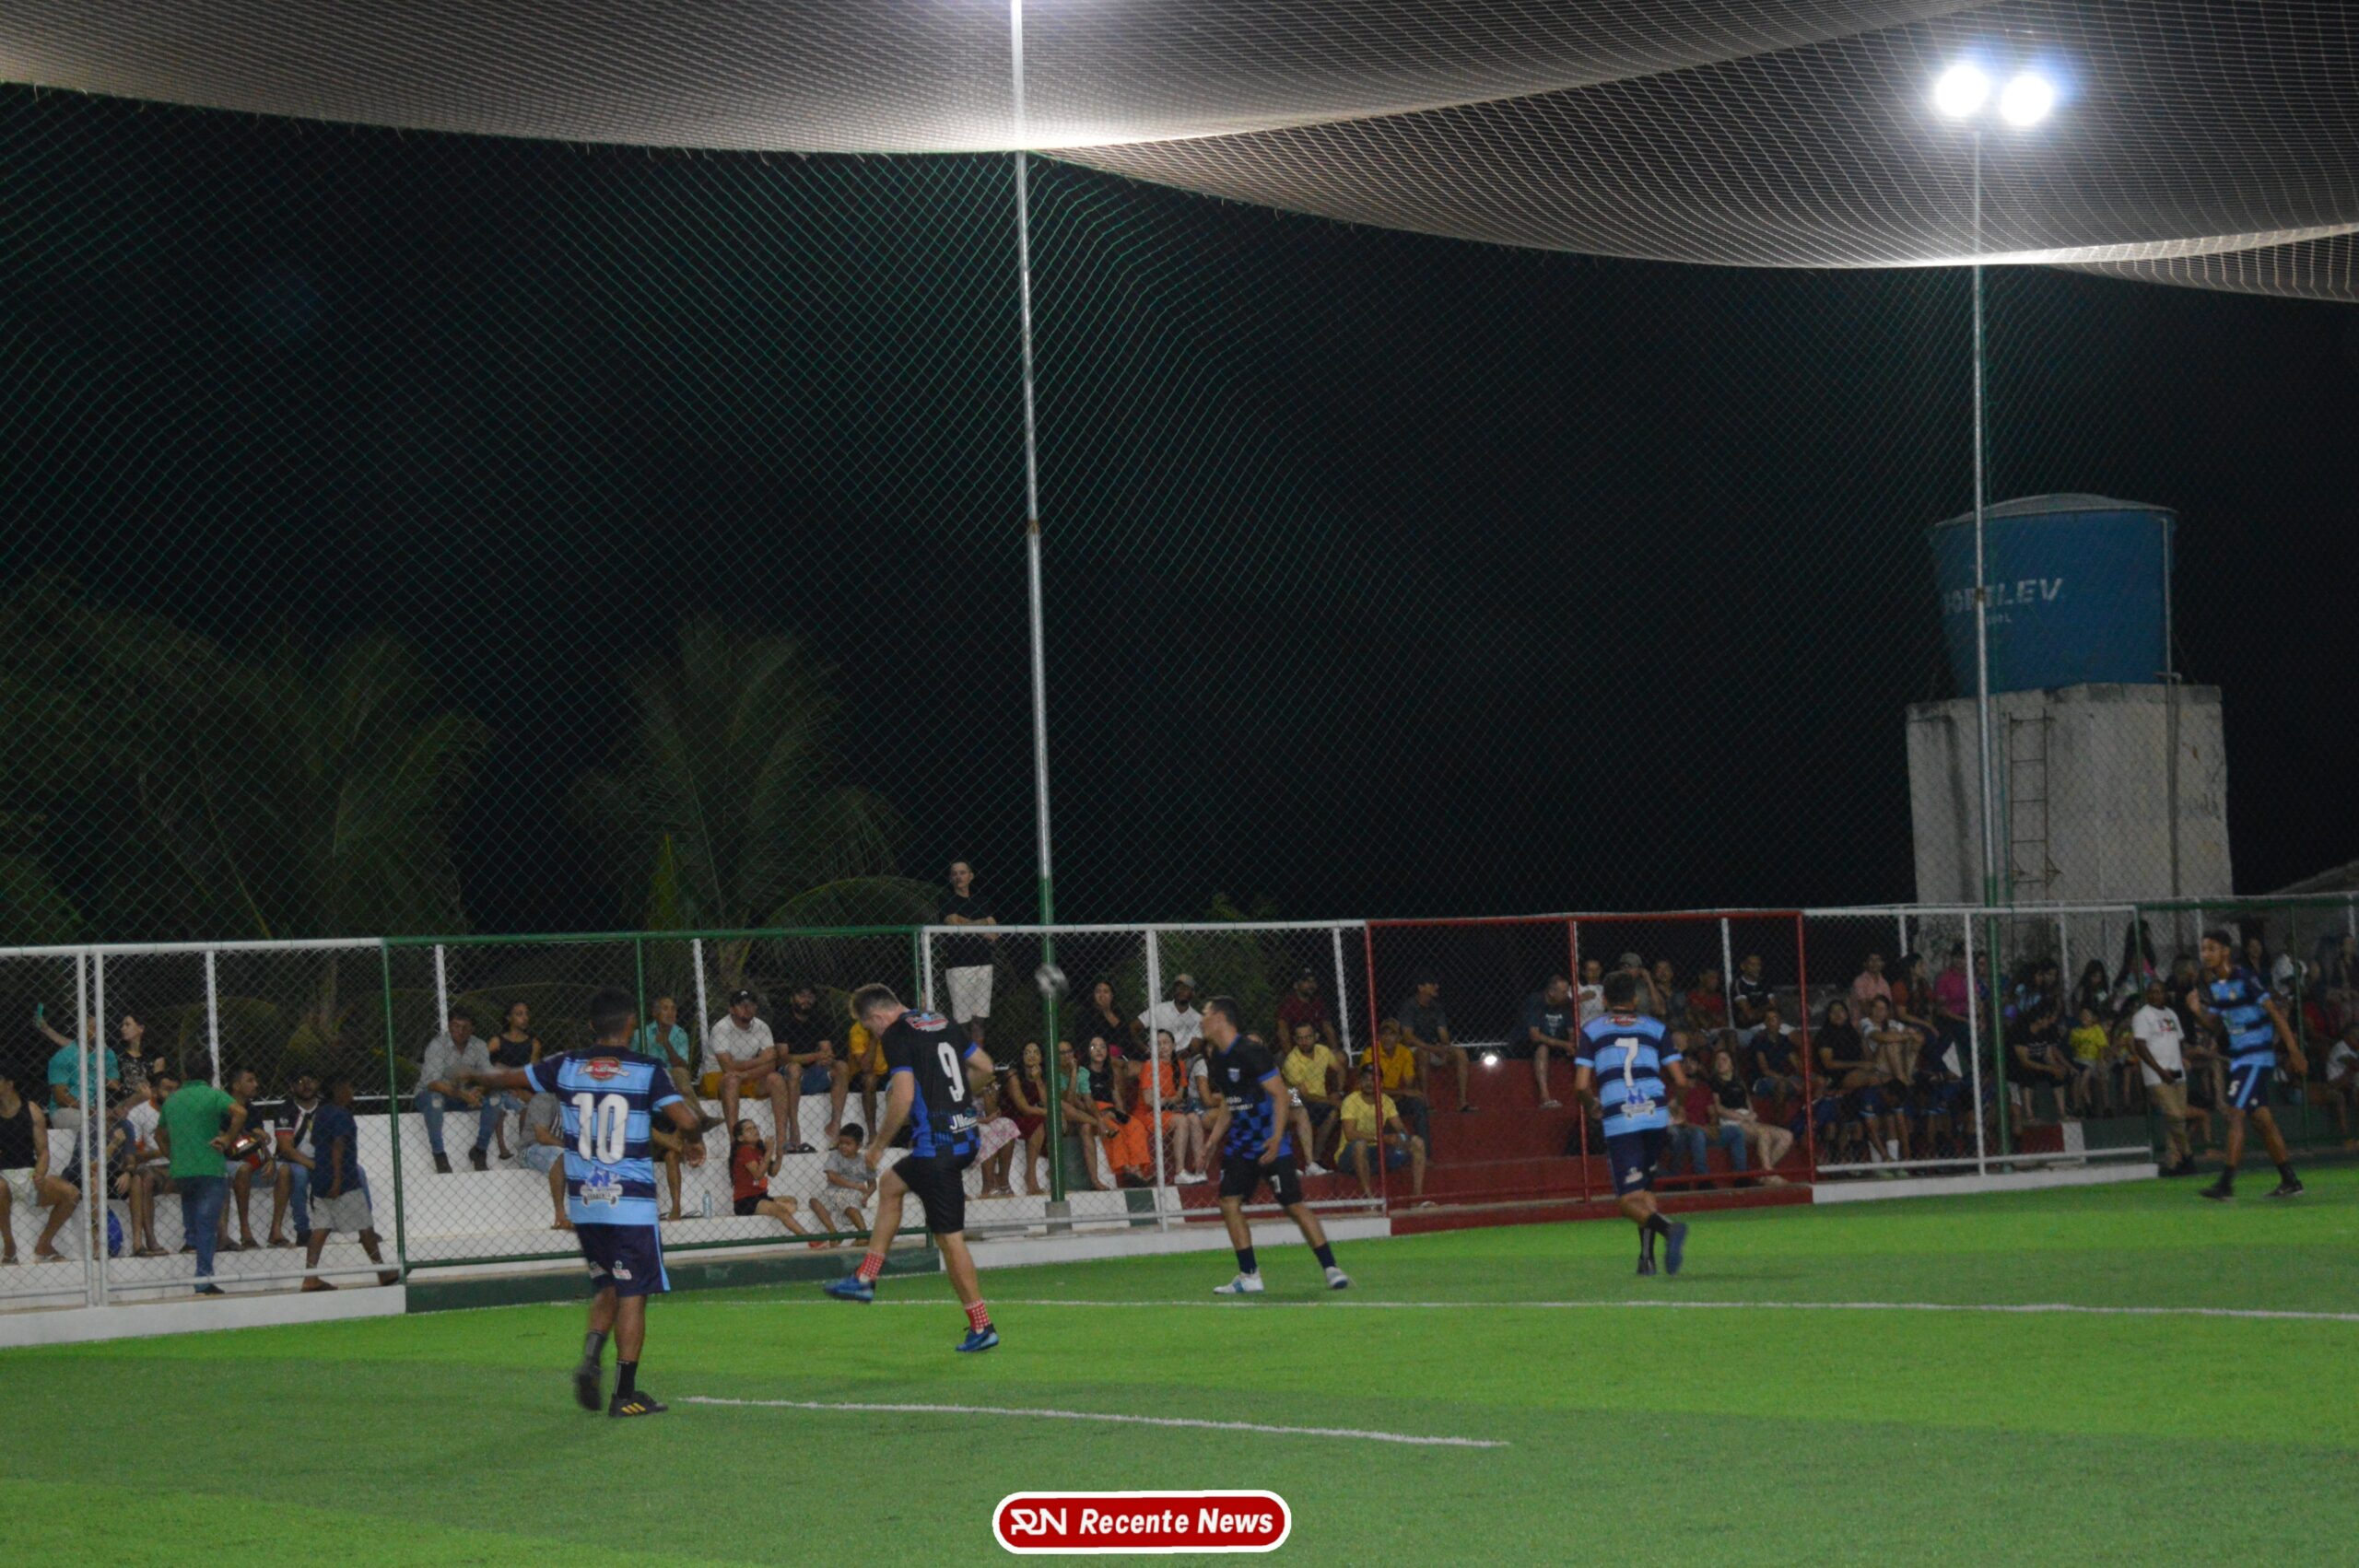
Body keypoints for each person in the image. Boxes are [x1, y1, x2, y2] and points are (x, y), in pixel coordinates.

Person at [468, 986, 698, 1417]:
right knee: (634, 1293)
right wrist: (696, 1131)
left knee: (608, 1285)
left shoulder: (566, 1064)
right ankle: (624, 1394)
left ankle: (591, 1358)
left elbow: (509, 1078)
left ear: (592, 1025)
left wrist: (475, 1075)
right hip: (630, 1205)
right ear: (631, 1024)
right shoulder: (647, 1068)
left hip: (587, 1202)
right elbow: (685, 1119)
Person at [823, 984, 1003, 1355]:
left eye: (870, 1028)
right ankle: (866, 1276)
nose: (875, 1034)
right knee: (891, 1185)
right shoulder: (940, 1021)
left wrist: (877, 1145)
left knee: (949, 1239)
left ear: (877, 1017)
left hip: (936, 1146)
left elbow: (903, 1097)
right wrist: (955, 1099)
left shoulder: (896, 1034)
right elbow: (986, 1068)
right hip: (964, 1137)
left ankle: (982, 1326)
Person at [1201, 997, 1350, 1294]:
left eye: (1205, 1013)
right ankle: (1249, 1276)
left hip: (1271, 1143)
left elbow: (1282, 1095)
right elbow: (1230, 1102)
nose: (1201, 1019)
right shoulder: (1217, 1058)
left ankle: (1332, 1268)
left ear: (1219, 1018)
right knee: (1229, 1202)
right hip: (1241, 1145)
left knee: (1293, 1205)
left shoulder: (1252, 1052)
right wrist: (1213, 1140)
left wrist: (1277, 1136)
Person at [1572, 972, 1690, 1277]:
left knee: (1626, 1200)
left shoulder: (1592, 1030)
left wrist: (1591, 1105)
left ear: (1605, 999)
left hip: (1621, 1118)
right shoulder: (1656, 1027)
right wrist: (1677, 1104)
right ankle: (1646, 1260)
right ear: (1636, 999)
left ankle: (1669, 1229)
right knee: (1645, 1189)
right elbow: (1680, 1080)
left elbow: (1581, 1085)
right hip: (1655, 1115)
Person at [2186, 929, 2306, 1200]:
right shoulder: (2217, 986)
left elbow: (2275, 1014)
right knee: (2262, 1121)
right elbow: (2215, 1026)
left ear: (2226, 952)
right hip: (2240, 1058)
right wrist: (2196, 1011)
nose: (2205, 954)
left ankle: (2225, 1184)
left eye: (2211, 949)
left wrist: (2294, 1051)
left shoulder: (2244, 978)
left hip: (2256, 1056)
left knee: (2234, 1114)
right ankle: (2290, 1180)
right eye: (2203, 949)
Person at [297, 1076, 399, 1291]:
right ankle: (382, 1271)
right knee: (365, 1226)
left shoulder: (321, 1113)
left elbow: (316, 1141)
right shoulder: (342, 1115)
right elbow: (338, 1145)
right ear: (339, 1090)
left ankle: (310, 1275)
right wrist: (338, 1180)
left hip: (320, 1177)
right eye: (349, 1086)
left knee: (321, 1227)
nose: (351, 1091)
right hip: (344, 1180)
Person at [157, 1070, 245, 1295]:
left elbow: (159, 1135)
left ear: (184, 1074)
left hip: (183, 1169)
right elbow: (240, 1112)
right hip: (209, 1166)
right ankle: (203, 1277)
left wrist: (173, 1156)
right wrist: (227, 1138)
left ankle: (191, 1240)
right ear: (211, 1072)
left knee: (192, 1210)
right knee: (207, 1224)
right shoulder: (213, 1095)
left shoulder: (173, 1099)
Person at [0, 1063, 78, 1264]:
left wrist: (40, 1174)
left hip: (28, 1173)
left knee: (70, 1194)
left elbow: (43, 1152)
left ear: (9, 1084)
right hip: (2, 1176)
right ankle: (9, 1246)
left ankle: (45, 1243)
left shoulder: (31, 1110)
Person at [705, 989, 787, 1170]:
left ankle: (782, 1141)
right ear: (731, 1009)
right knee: (731, 1080)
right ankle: (735, 1144)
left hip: (746, 1076)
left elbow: (771, 1065)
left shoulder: (762, 1027)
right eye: (741, 1005)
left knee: (776, 1079)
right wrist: (759, 1061)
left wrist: (745, 1074)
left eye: (751, 1004)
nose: (747, 1008)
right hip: (716, 1076)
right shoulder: (721, 1028)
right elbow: (728, 1067)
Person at [2126, 979, 2197, 1176]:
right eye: (2151, 992)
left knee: (2177, 1118)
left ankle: (2173, 1163)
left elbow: (2178, 1040)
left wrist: (2182, 1059)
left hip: (2177, 1071)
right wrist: (2159, 1070)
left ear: (2165, 994)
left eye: (2159, 992)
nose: (2155, 995)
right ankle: (2188, 1155)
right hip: (2157, 1075)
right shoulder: (2142, 1016)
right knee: (2175, 1115)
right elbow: (2140, 1046)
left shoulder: (2171, 1014)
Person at [416, 1008, 497, 1174]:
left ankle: (480, 1150)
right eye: (455, 1026)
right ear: (449, 1026)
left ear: (472, 1029)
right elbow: (433, 1083)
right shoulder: (438, 1045)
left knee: (495, 1099)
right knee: (435, 1101)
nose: (460, 1031)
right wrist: (463, 1094)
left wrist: (480, 1090)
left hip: (467, 1096)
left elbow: (488, 1076)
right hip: (436, 1093)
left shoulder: (479, 1045)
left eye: (465, 1027)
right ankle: (439, 1155)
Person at [1338, 1060, 1426, 1201]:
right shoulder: (1350, 1101)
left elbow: (1400, 1127)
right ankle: (1370, 1200)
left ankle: (1417, 1198)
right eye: (1365, 1079)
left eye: (1374, 1079)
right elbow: (1350, 1134)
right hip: (1350, 1157)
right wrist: (1384, 1138)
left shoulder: (1386, 1101)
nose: (1369, 1083)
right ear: (1359, 1082)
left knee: (1418, 1142)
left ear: (1381, 1083)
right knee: (1360, 1145)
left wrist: (1402, 1138)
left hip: (1378, 1154)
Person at [937, 860, 998, 1044]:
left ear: (971, 876)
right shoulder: (947, 900)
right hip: (959, 965)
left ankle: (978, 1058)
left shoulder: (982, 901)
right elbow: (954, 924)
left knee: (980, 1020)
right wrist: (981, 924)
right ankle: (964, 1058)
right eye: (954, 873)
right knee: (962, 1020)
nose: (959, 877)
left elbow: (994, 934)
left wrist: (967, 924)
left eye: (962, 872)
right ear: (950, 878)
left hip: (984, 964)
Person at [1397, 977, 1472, 1113]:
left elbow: (1443, 1033)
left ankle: (1462, 1102)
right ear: (1420, 987)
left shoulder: (1436, 1007)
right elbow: (1408, 1038)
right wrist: (1432, 1048)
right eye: (1431, 984)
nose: (1436, 987)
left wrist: (1445, 1047)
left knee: (1460, 1053)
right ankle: (1424, 1102)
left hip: (1433, 1047)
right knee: (1423, 1054)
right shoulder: (1409, 1006)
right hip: (1413, 1049)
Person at [729, 1121, 815, 1239]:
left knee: (792, 1201)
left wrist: (779, 1156)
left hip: (761, 1196)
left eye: (755, 1127)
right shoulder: (744, 1150)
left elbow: (772, 1172)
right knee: (780, 1210)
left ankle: (775, 1209)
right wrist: (769, 1151)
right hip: (745, 1201)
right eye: (749, 1129)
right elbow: (758, 1175)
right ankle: (809, 1238)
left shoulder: (759, 1149)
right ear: (740, 1138)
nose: (754, 1131)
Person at [266, 1071, 322, 1248]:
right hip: (294, 1161)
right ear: (291, 1087)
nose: (306, 1085)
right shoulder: (286, 1110)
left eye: (310, 1080)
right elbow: (286, 1149)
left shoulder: (326, 1108)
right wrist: (312, 1164)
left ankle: (367, 1229)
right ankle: (303, 1230)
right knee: (299, 1174)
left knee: (358, 1172)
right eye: (300, 1081)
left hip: (322, 1159)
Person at [635, 996, 707, 1128]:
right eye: (665, 1009)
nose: (671, 1013)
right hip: (650, 1077)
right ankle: (702, 1119)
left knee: (680, 1073)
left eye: (673, 1009)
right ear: (655, 1013)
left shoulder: (680, 1034)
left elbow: (683, 1066)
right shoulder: (640, 1034)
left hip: (673, 1077)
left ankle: (701, 1118)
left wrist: (667, 1044)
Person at [1278, 1023, 1342, 1172]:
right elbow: (1305, 1095)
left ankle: (1318, 1158)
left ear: (1316, 1037)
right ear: (1295, 1039)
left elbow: (1340, 1069)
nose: (1304, 1042)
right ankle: (1314, 1160)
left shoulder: (1323, 1050)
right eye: (1300, 1038)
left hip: (1322, 1100)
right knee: (1333, 1110)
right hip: (1300, 1101)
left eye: (1308, 1037)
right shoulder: (1291, 1061)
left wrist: (1338, 1091)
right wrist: (1332, 1101)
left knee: (1341, 1110)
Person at [484, 1002, 543, 1159]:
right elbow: (483, 1063)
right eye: (519, 1014)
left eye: (526, 1013)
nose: (525, 1018)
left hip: (522, 1085)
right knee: (498, 1102)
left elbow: (532, 1071)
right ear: (509, 1018)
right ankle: (502, 1148)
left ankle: (524, 1148)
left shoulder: (533, 1043)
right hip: (501, 1084)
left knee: (532, 1105)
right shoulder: (497, 1041)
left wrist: (515, 1081)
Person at [515, 1088, 574, 1229]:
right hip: (530, 1149)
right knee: (561, 1156)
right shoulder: (544, 1098)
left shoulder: (574, 1101)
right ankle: (560, 1215)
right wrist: (572, 1149)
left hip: (558, 1149)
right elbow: (542, 1136)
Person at [1522, 976, 1579, 1108]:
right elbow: (1535, 1035)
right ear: (1551, 992)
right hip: (1531, 1043)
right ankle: (1545, 1097)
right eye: (1563, 992)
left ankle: (1585, 1091)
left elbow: (1571, 1030)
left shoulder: (1566, 1003)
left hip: (1558, 1041)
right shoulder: (1536, 1001)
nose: (1567, 995)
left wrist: (1572, 1044)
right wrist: (1564, 1044)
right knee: (1543, 1048)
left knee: (1579, 1046)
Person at [1003, 1041, 1050, 1196]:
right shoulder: (1013, 1075)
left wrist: (1038, 1080)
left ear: (1041, 1057)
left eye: (1036, 1052)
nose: (1031, 1056)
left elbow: (1046, 1102)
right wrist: (1050, 1112)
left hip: (1033, 1115)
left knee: (1044, 1122)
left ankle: (1052, 1170)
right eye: (1027, 1052)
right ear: (1021, 1057)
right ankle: (1030, 1176)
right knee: (1039, 1122)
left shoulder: (1042, 1075)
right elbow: (1023, 1107)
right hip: (1012, 1115)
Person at [812, 1123, 875, 1238]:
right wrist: (856, 1185)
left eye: (848, 1144)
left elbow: (873, 1184)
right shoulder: (835, 1156)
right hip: (833, 1191)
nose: (843, 1146)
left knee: (849, 1206)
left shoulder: (865, 1161)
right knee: (814, 1201)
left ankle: (863, 1234)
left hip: (853, 1194)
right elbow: (832, 1177)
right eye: (841, 1143)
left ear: (859, 1145)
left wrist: (866, 1196)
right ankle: (833, 1233)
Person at [1373, 1018, 1429, 1145]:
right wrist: (1402, 1092)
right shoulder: (1371, 1053)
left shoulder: (1404, 1052)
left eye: (1392, 1034)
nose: (1387, 1038)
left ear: (1399, 1038)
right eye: (1384, 1034)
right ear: (1379, 1037)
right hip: (1376, 1100)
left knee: (1418, 1103)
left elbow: (1408, 1083)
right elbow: (1373, 1089)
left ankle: (1424, 1150)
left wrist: (1403, 1093)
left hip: (1395, 1098)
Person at [1275, 970, 1342, 1059]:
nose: (1311, 984)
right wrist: (1292, 1058)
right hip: (1293, 1049)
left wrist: (1335, 1051)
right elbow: (1283, 1032)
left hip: (1315, 1048)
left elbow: (1328, 1028)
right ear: (1296, 985)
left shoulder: (1318, 1002)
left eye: (1313, 981)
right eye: (1306, 981)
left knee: (1341, 1058)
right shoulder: (1288, 1004)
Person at [1138, 974, 1204, 1056]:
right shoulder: (1159, 1009)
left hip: (1183, 1060)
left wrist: (1174, 1060)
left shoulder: (1198, 1018)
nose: (1181, 990)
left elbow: (1196, 1045)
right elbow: (1133, 1028)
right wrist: (1147, 1051)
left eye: (1185, 988)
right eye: (1178, 987)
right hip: (1156, 1057)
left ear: (1193, 993)